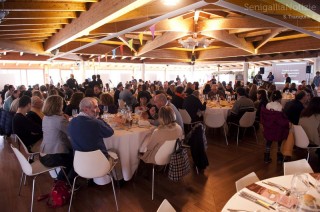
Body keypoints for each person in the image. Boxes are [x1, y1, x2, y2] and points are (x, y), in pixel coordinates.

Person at [39, 95, 75, 182]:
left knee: (72, 153)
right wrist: (67, 120)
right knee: (77, 159)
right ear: (58, 106)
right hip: (52, 157)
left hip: (43, 153)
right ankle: (62, 181)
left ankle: (64, 180)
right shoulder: (60, 120)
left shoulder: (45, 117)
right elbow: (73, 133)